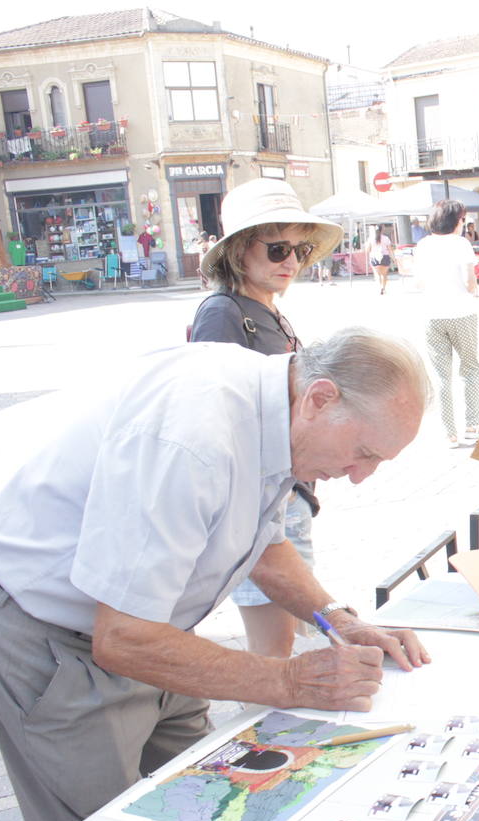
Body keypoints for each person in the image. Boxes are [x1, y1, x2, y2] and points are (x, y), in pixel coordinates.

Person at [0, 327, 433, 821]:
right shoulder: (194, 435)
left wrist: (340, 620)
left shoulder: (275, 409)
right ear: (319, 398)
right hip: (49, 635)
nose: (360, 477)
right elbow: (124, 637)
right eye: (364, 453)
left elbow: (262, 544)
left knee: (211, 805)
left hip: (157, 629)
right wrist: (290, 681)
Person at [192, 177, 341, 658]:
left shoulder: (267, 311)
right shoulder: (224, 312)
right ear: (239, 250)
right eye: (278, 250)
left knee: (288, 645)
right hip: (260, 503)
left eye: (299, 250)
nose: (292, 263)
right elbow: (208, 413)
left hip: (285, 496)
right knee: (274, 653)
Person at [414, 198, 479, 446]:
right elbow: (469, 281)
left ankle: (449, 433)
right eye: (463, 219)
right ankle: (473, 425)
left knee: (442, 377)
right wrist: (471, 290)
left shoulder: (422, 245)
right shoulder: (461, 244)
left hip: (432, 315)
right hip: (461, 313)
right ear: (456, 220)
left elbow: (419, 283)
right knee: (470, 369)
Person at [366, 225, 393, 295]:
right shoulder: (386, 238)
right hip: (385, 257)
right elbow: (390, 250)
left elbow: (368, 250)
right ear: (382, 230)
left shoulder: (371, 238)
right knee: (384, 275)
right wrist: (393, 258)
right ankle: (383, 288)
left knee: (377, 274)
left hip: (374, 257)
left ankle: (379, 288)